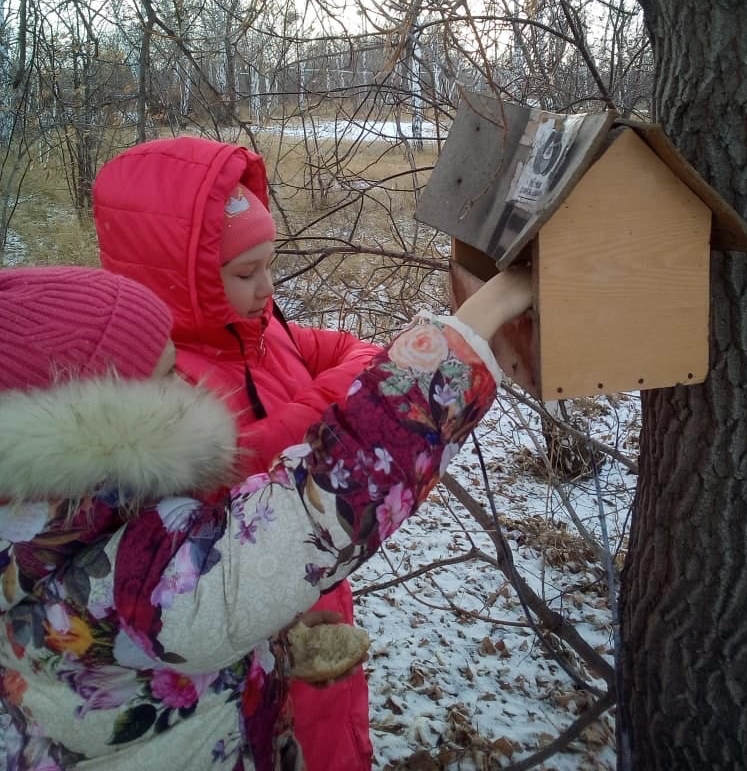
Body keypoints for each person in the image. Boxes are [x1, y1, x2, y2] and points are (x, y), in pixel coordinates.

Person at [0, 262, 533, 770]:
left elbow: (165, 639)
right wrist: (475, 323)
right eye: (166, 377)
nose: (187, 388)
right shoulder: (121, 574)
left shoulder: (52, 530)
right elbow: (321, 504)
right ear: (88, 424)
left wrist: (267, 643)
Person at [93, 136, 382, 770]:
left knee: (335, 731)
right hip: (243, 636)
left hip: (315, 595)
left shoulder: (261, 328)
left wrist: (328, 392)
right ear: (182, 278)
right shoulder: (167, 384)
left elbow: (352, 350)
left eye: (270, 265)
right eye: (245, 273)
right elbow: (249, 464)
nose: (267, 287)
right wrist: (336, 405)